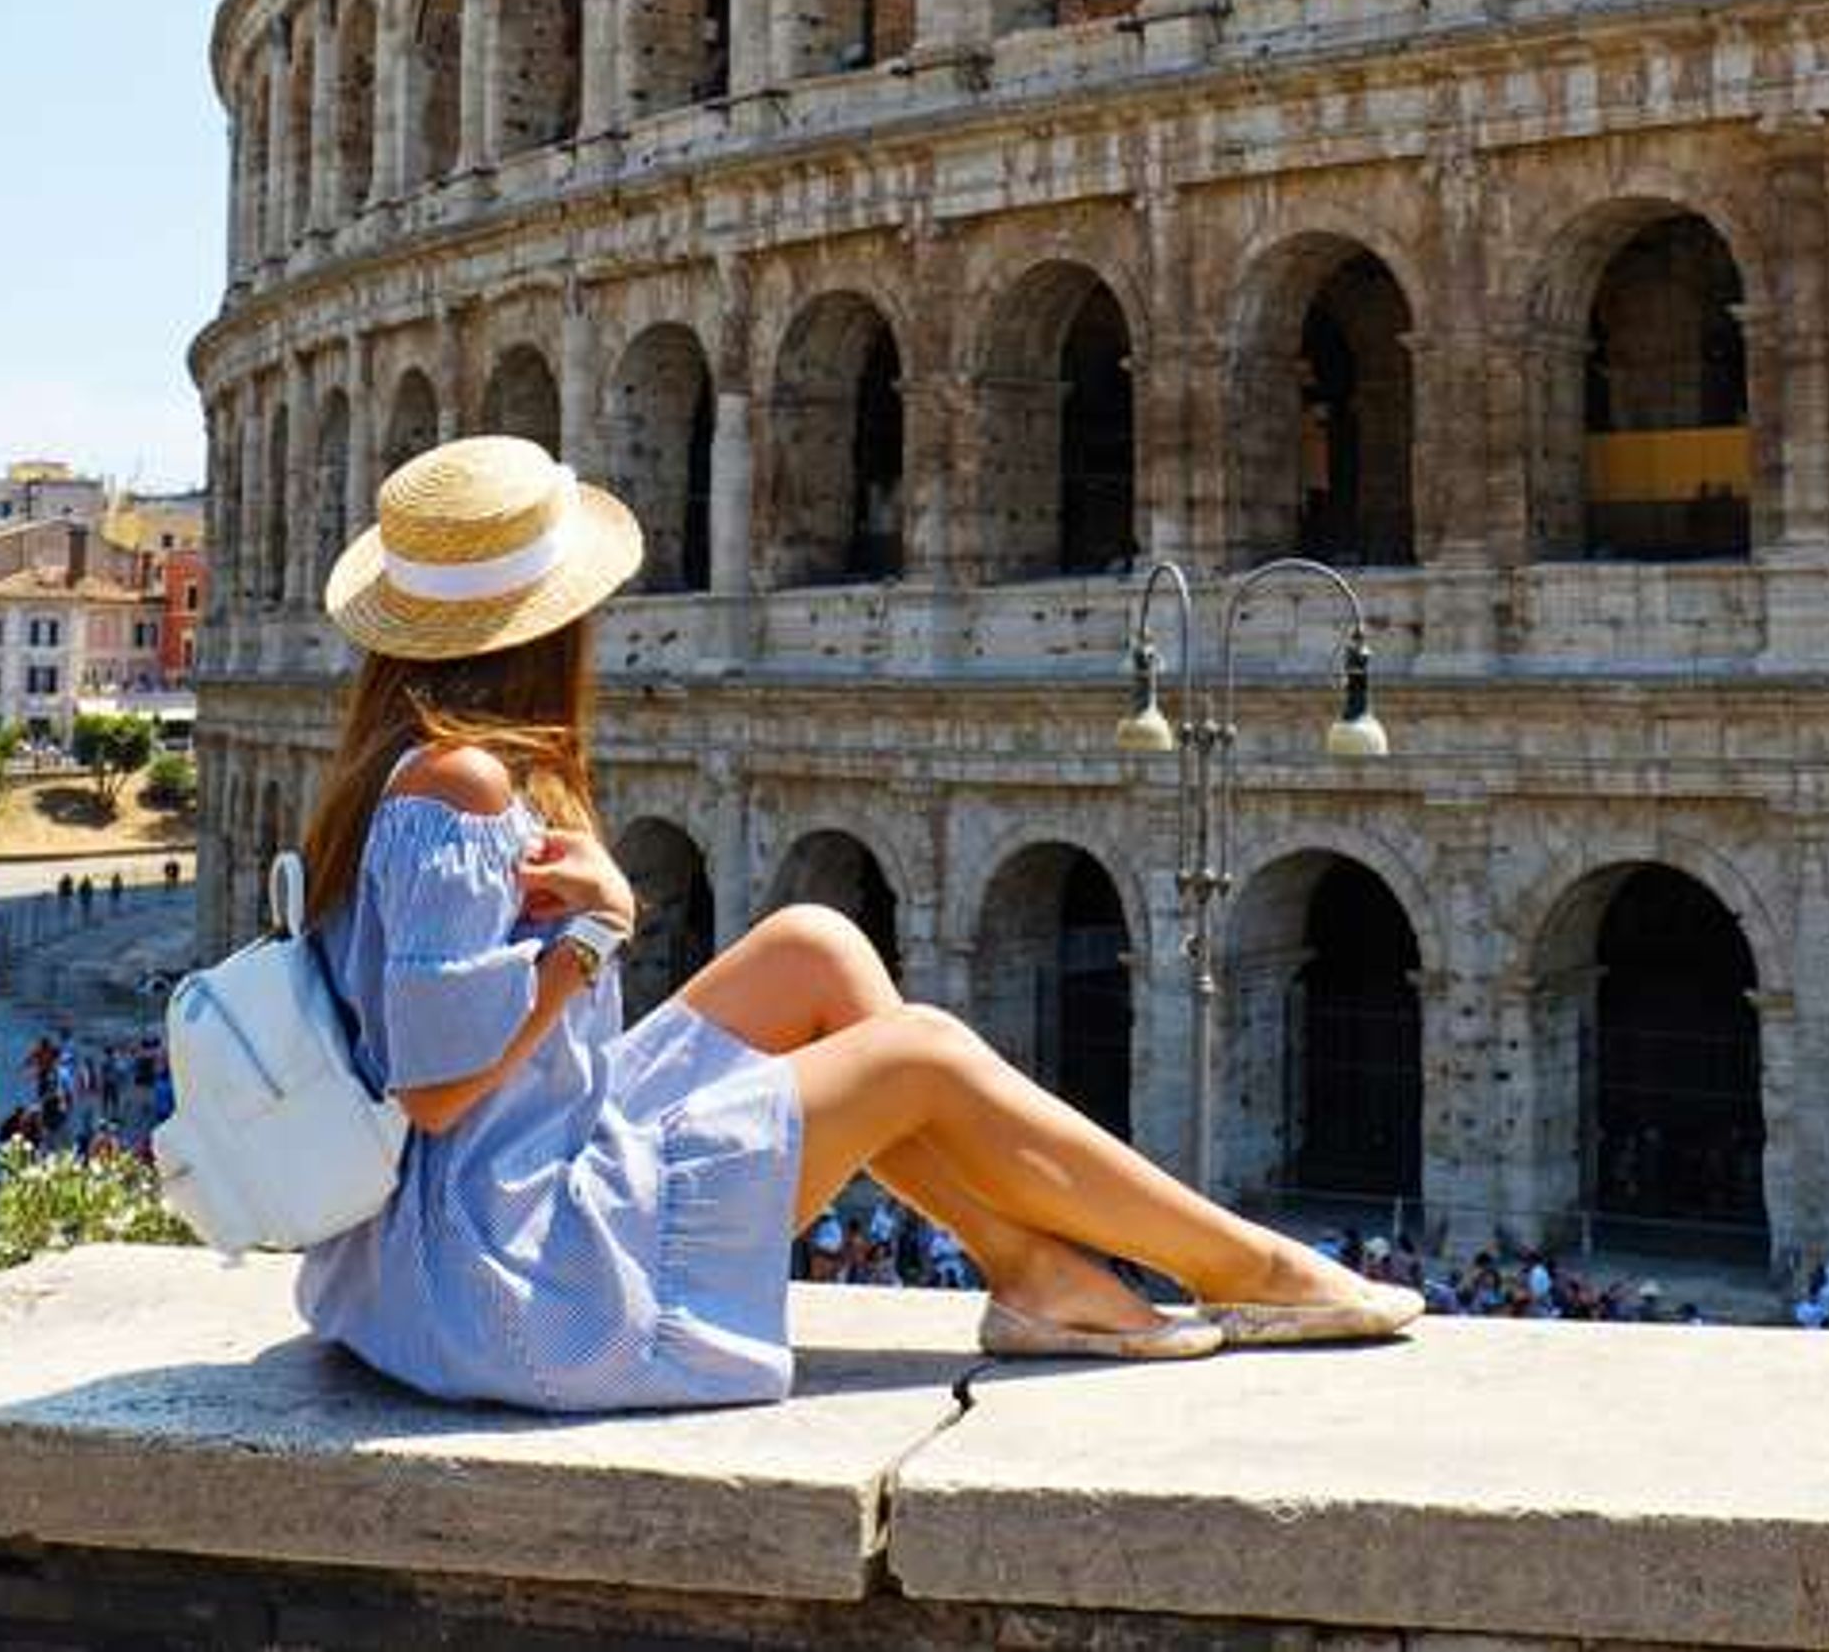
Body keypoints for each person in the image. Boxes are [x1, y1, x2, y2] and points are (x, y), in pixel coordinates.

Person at [290, 435, 1415, 1419]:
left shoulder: (415, 767)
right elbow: (438, 1088)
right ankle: (1255, 1265)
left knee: (813, 944)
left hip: (466, 1213)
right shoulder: (461, 783)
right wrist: (594, 933)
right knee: (916, 1052)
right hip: (507, 1264)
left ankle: (1031, 1267)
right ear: (548, 620)